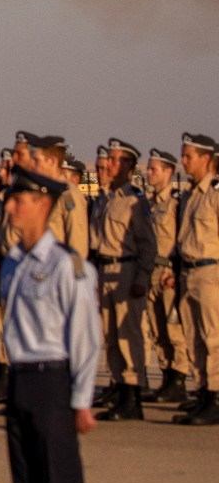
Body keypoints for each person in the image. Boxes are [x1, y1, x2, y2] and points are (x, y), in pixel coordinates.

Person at [0, 168, 102, 483]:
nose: (10, 206)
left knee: (58, 480)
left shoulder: (67, 265)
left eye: (19, 199)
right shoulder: (16, 261)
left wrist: (81, 399)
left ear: (42, 204)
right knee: (28, 482)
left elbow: (85, 338)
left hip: (52, 380)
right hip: (20, 377)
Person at [90, 139, 157, 420]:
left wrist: (142, 276)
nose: (109, 164)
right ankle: (119, 389)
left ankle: (132, 395)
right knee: (112, 336)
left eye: (117, 160)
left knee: (129, 334)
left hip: (126, 271)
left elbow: (147, 245)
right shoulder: (107, 199)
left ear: (129, 167)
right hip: (105, 271)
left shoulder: (134, 201)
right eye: (110, 159)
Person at [173, 132, 219, 425]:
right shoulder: (190, 195)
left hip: (210, 272)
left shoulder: (215, 193)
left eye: (188, 156)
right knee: (193, 337)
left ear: (206, 158)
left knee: (213, 337)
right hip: (189, 271)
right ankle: (202, 392)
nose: (184, 161)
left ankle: (216, 395)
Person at [143, 148, 190, 404]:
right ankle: (166, 376)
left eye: (153, 169)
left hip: (167, 272)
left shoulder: (176, 202)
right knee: (157, 330)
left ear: (168, 173)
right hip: (151, 271)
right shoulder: (151, 203)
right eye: (148, 169)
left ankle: (180, 378)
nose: (149, 173)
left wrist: (173, 269)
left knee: (174, 329)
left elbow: (181, 239)